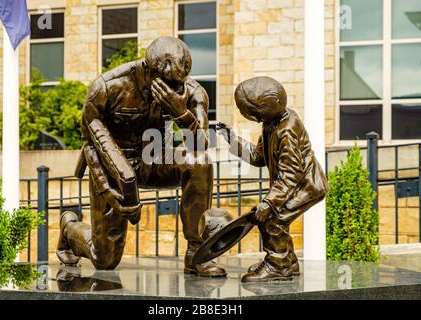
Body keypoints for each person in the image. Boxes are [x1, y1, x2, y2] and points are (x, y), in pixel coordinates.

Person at [57, 37, 226, 277]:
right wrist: (105, 188)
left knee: (199, 161)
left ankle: (196, 253)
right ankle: (69, 228)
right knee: (105, 259)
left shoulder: (192, 91)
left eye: (178, 85)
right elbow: (89, 144)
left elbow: (201, 144)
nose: (173, 90)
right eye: (165, 84)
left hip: (155, 161)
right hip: (113, 168)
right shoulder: (107, 86)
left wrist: (182, 113)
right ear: (147, 70)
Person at [217, 76, 328, 282]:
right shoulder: (271, 124)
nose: (246, 115)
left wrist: (269, 202)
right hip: (293, 185)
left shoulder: (286, 129)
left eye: (247, 112)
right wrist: (230, 138)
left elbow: (291, 173)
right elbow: (258, 157)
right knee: (276, 219)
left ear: (260, 111)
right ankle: (289, 261)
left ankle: (278, 265)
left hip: (306, 186)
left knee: (272, 220)